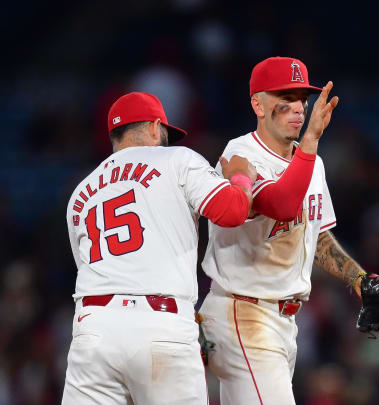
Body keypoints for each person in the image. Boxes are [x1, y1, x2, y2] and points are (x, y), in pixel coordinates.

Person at [198, 57, 379, 404]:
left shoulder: (312, 162)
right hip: (244, 313)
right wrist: (310, 141)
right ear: (258, 104)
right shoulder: (241, 154)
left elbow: (317, 236)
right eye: (286, 97)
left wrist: (359, 280)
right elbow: (281, 203)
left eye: (302, 98)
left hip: (284, 322)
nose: (298, 108)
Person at [62, 91, 258, 404]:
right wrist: (242, 178)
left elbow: (86, 265)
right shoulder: (177, 159)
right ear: (156, 128)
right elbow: (233, 211)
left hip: (93, 328)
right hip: (160, 324)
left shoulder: (82, 191)